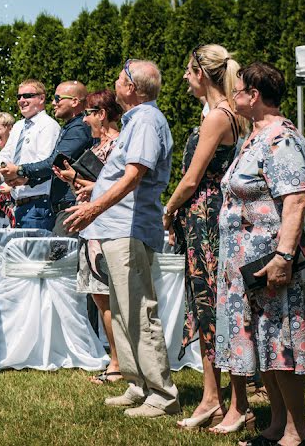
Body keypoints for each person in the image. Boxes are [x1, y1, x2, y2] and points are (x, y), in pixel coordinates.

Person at [65, 59, 181, 419]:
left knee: (139, 311)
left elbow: (134, 176)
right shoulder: (137, 120)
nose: (115, 82)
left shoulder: (145, 120)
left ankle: (162, 393)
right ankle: (137, 383)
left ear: (131, 87)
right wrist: (94, 189)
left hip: (128, 229)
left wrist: (94, 207)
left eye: (119, 78)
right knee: (123, 312)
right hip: (115, 227)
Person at [214, 62, 305, 445]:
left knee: (281, 343)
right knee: (262, 342)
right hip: (245, 264)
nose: (232, 96)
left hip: (270, 261)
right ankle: (276, 423)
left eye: (237, 90)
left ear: (254, 95)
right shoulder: (253, 137)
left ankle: (297, 431)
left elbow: (296, 199)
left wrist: (284, 257)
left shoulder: (281, 138)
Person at [159, 45, 244, 431]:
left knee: (214, 305)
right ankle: (214, 397)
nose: (183, 77)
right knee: (208, 304)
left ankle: (229, 401)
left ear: (203, 73)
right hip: (206, 218)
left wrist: (169, 207)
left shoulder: (218, 117)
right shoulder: (222, 112)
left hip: (207, 219)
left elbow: (192, 178)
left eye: (188, 71)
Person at [54, 90, 123, 385]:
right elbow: (96, 187)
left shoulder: (118, 145)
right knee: (100, 296)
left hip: (109, 227)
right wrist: (73, 179)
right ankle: (117, 359)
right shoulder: (100, 145)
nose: (85, 119)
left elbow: (117, 188)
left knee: (109, 297)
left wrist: (82, 183)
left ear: (102, 115)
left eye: (89, 113)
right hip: (93, 224)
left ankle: (119, 363)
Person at [1, 81, 92, 237]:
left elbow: (53, 164)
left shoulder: (77, 128)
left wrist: (20, 171)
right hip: (56, 204)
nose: (53, 103)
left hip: (68, 204)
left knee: (53, 256)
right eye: (19, 96)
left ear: (75, 101)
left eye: (58, 98)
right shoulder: (70, 127)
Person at [0, 79, 59, 230]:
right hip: (18, 203)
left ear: (41, 98)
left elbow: (44, 164)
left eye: (27, 96)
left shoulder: (48, 125)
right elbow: (6, 155)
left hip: (38, 203)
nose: (22, 100)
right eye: (19, 97)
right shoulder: (18, 126)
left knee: (34, 253)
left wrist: (18, 175)